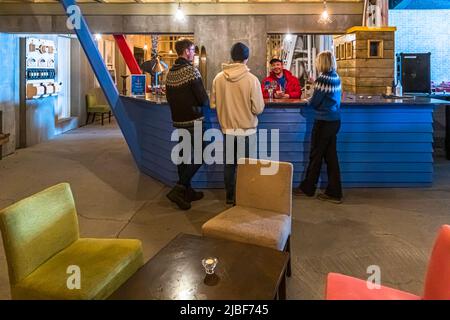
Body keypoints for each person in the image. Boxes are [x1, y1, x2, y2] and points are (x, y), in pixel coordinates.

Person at [211, 42, 265, 204]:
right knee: (246, 167)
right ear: (246, 59)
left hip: (227, 130)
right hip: (247, 132)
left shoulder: (218, 78)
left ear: (232, 57)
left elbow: (213, 104)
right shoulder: (252, 80)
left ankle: (230, 197)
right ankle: (244, 198)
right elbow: (258, 108)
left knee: (229, 166)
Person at [293, 51, 343, 203]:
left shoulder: (322, 79)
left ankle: (308, 188)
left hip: (323, 121)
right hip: (334, 121)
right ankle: (334, 192)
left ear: (322, 62)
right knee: (330, 157)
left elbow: (315, 102)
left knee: (316, 155)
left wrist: (307, 99)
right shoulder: (336, 77)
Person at [165, 38, 209, 210]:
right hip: (194, 120)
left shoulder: (171, 73)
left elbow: (170, 98)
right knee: (202, 154)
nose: (194, 53)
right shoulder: (191, 71)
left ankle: (187, 191)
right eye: (192, 49)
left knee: (183, 157)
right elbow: (204, 100)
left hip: (178, 122)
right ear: (186, 51)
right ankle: (179, 188)